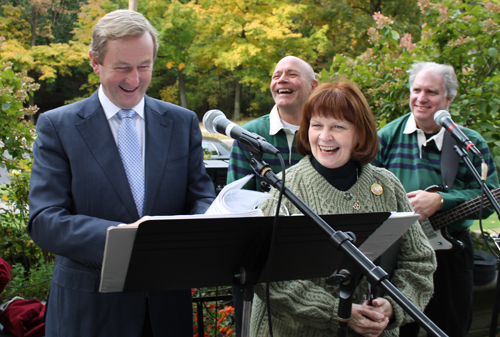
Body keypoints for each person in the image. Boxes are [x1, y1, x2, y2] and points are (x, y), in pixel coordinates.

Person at [27, 10, 215, 337]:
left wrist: (199, 226)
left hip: (166, 309)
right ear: (95, 62)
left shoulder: (182, 122)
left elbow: (200, 197)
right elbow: (44, 220)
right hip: (89, 312)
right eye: (122, 68)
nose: (134, 80)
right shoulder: (59, 126)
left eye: (144, 67)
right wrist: (125, 237)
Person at [250, 80, 436, 337]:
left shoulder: (387, 185)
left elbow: (419, 262)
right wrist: (336, 311)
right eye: (317, 125)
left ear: (359, 132)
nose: (325, 136)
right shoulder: (285, 187)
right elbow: (268, 274)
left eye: (338, 126)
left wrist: (393, 306)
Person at [373, 61, 499, 337]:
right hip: (397, 252)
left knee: (451, 326)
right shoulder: (386, 137)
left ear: (448, 99)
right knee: (398, 328)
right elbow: (365, 188)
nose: (421, 98)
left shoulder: (469, 142)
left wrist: (441, 200)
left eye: (431, 91)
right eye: (416, 90)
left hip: (451, 254)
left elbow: (489, 195)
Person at [227, 56, 318, 191]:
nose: (281, 79)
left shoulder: (327, 134)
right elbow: (235, 199)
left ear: (313, 86)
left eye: (292, 74)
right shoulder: (249, 134)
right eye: (276, 76)